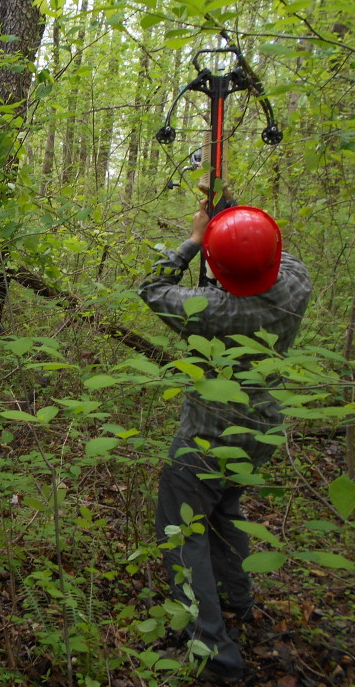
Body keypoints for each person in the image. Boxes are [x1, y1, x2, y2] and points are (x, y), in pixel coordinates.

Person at [138, 195, 312, 683]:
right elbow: (276, 253)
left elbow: (151, 286)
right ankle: (239, 600)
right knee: (223, 511)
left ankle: (215, 653)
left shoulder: (210, 308)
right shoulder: (294, 287)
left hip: (205, 439)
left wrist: (196, 240)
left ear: (217, 266)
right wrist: (235, 218)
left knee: (183, 532)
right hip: (260, 432)